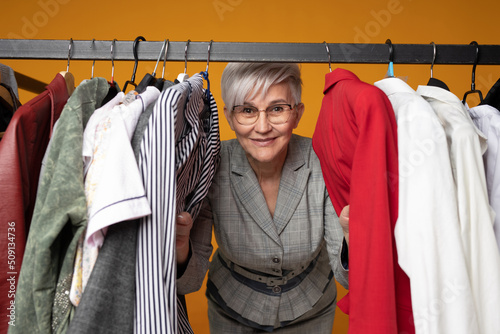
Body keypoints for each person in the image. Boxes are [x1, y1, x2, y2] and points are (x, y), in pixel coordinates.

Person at [175, 62, 350, 333]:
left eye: (277, 109)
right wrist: (180, 247)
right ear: (229, 117)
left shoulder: (322, 159)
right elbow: (188, 283)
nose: (263, 126)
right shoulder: (210, 164)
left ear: (298, 114)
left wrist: (355, 237)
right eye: (247, 110)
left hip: (311, 307)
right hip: (232, 308)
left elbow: (350, 278)